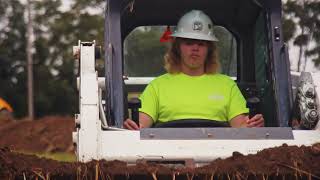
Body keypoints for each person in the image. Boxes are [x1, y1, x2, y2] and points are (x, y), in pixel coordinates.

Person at [124, 10, 264, 130]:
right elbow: (140, 126)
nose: (195, 48)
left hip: (222, 157)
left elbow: (242, 128)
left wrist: (252, 125)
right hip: (167, 158)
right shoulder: (157, 86)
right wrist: (135, 127)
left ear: (209, 49)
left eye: (201, 44)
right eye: (189, 42)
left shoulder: (228, 86)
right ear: (178, 47)